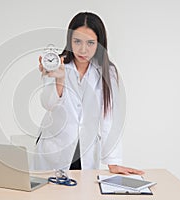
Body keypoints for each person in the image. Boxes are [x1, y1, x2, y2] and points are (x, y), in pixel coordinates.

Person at [34, 12, 143, 175]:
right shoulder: (57, 64)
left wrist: (113, 161)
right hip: (54, 151)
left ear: (99, 43)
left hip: (85, 153)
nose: (83, 49)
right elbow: (48, 104)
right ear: (69, 40)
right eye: (77, 41)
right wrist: (60, 80)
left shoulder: (108, 72)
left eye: (90, 43)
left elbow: (109, 118)